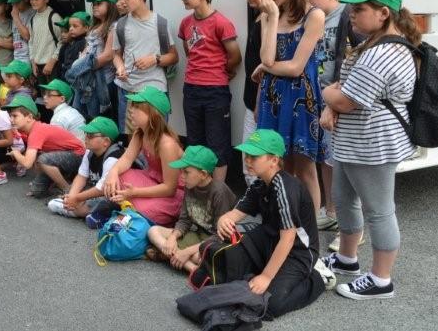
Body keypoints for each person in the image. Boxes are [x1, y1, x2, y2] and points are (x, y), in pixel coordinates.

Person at [319, 0, 419, 300]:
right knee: (344, 199)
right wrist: (334, 99)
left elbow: (347, 99)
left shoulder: (383, 53)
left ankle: (381, 279)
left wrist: (327, 96)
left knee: (379, 210)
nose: (352, 14)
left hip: (372, 144)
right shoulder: (373, 43)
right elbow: (345, 88)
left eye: (360, 9)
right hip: (354, 140)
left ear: (383, 13)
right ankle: (347, 259)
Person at [217, 129, 324, 318]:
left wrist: (266, 277)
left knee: (271, 305)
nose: (247, 160)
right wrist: (223, 220)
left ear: (274, 160)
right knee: (230, 261)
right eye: (247, 155)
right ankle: (264, 270)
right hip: (271, 239)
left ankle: (318, 278)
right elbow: (234, 214)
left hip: (298, 251)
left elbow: (289, 239)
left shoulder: (285, 187)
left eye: (254, 156)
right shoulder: (259, 183)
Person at [253, 0, 325, 215]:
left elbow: (296, 68)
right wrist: (271, 18)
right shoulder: (270, 13)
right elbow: (268, 57)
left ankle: (310, 228)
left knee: (305, 168)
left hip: (301, 97)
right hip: (272, 97)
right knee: (276, 166)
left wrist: (265, 68)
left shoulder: (314, 16)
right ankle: (281, 222)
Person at [304, 0, 361, 233]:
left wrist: (334, 102)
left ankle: (345, 222)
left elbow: (353, 60)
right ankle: (330, 211)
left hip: (336, 98)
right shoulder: (312, 17)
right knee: (326, 158)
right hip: (316, 95)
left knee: (339, 161)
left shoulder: (348, 17)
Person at [175, 0, 241, 182]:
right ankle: (198, 188)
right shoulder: (185, 23)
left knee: (217, 142)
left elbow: (235, 56)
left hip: (215, 90)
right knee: (194, 141)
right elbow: (189, 51)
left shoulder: (221, 22)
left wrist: (221, 72)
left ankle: (218, 192)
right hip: (192, 87)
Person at [103, 86, 185, 226]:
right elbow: (127, 159)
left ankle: (131, 211)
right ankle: (130, 210)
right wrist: (113, 172)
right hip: (152, 181)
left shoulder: (167, 144)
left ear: (153, 114)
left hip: (175, 194)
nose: (130, 110)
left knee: (144, 209)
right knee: (118, 177)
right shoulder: (140, 133)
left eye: (136, 107)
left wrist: (135, 193)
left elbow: (170, 188)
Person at [146, 145, 236, 273]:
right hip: (197, 235)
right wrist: (172, 238)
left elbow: (221, 236)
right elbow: (184, 220)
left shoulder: (219, 192)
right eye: (181, 170)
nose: (181, 176)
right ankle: (191, 268)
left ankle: (172, 256)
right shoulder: (190, 185)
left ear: (203, 174)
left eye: (186, 172)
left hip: (214, 241)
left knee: (198, 257)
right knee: (153, 231)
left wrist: (187, 251)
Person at [111, 0, 178, 135]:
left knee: (157, 138)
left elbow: (174, 56)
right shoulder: (120, 25)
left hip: (154, 91)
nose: (121, 1)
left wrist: (154, 59)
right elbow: (116, 55)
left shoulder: (160, 23)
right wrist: (120, 68)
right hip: (127, 90)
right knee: (130, 139)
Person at [3, 95, 86, 197]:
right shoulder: (30, 130)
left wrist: (16, 153)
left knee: (42, 159)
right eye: (10, 116)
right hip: (64, 155)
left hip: (79, 156)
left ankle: (67, 189)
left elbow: (27, 163)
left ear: (29, 117)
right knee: (37, 191)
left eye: (15, 116)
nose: (11, 120)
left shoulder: (37, 131)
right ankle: (57, 183)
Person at [47, 116, 123, 221]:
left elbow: (102, 188)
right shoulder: (90, 151)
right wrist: (72, 196)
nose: (86, 138)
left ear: (106, 141)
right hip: (98, 190)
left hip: (115, 195)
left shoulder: (113, 157)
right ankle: (97, 216)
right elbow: (81, 176)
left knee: (81, 207)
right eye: (86, 134)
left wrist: (77, 198)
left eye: (91, 136)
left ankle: (104, 216)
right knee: (72, 196)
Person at [68, 0, 119, 121]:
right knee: (78, 113)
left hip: (101, 81)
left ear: (111, 5)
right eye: (93, 4)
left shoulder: (113, 26)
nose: (95, 6)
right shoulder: (94, 26)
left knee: (95, 117)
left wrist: (82, 67)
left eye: (99, 3)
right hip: (85, 79)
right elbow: (86, 50)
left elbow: (108, 55)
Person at [242, 0, 267, 185]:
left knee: (253, 158)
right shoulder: (259, 17)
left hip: (258, 102)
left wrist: (259, 102)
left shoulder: (267, 21)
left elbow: (265, 67)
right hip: (251, 99)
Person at [27, 0, 62, 85]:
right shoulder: (33, 20)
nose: (33, 2)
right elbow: (31, 42)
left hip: (52, 65)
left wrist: (52, 62)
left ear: (46, 0)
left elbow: (62, 42)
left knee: (54, 96)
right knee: (44, 98)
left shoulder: (54, 17)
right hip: (37, 66)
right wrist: (33, 63)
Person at [58, 11, 89, 80]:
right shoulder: (72, 43)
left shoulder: (84, 43)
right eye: (70, 26)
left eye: (75, 26)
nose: (71, 29)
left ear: (86, 28)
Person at [9, 0, 34, 64]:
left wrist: (16, 17)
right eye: (13, 3)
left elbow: (27, 37)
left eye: (17, 2)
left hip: (28, 57)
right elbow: (14, 36)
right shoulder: (16, 13)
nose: (15, 6)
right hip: (16, 56)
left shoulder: (32, 13)